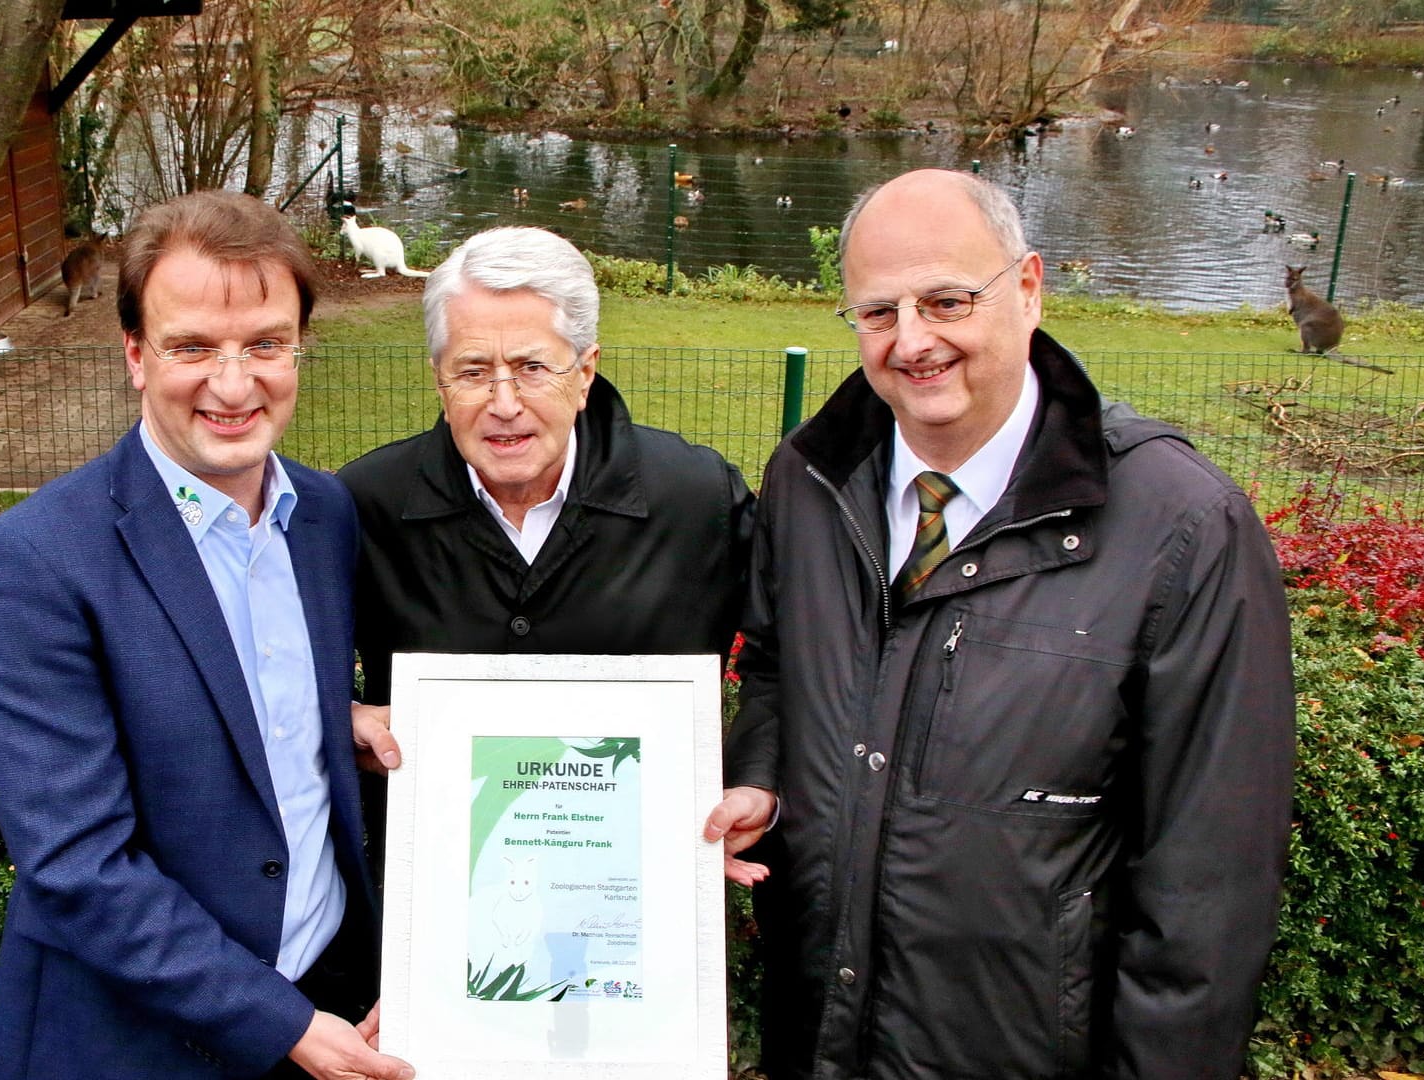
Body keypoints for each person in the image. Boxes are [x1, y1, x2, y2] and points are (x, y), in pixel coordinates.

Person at [703, 169, 1294, 1079]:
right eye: (877, 311)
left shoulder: (1181, 525)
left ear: (1027, 289)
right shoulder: (809, 482)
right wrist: (760, 781)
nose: (913, 341)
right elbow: (782, 669)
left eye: (947, 299)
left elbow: (1206, 887)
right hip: (819, 1032)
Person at [0, 191, 414, 1080]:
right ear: (134, 354)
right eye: (193, 346)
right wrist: (278, 1022)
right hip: (137, 1041)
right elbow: (79, 865)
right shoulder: (33, 563)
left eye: (265, 345)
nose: (234, 385)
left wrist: (327, 722)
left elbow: (238, 709)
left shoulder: (322, 516)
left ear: (297, 350)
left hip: (332, 993)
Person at [338, 225, 754, 775]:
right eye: (473, 371)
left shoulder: (699, 500)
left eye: (532, 368)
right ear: (439, 382)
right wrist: (341, 719)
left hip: (639, 857)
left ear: (585, 373)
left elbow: (793, 661)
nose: (504, 403)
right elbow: (285, 679)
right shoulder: (364, 506)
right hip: (432, 856)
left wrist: (755, 776)